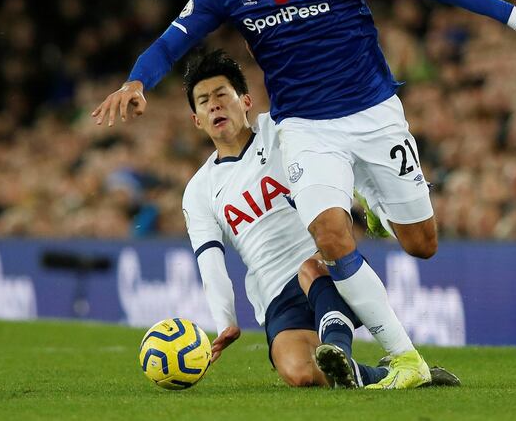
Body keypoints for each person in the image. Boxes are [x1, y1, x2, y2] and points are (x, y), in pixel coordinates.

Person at [92, 0, 516, 387]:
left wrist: (515, 17)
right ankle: (406, 361)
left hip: (374, 115)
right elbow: (175, 38)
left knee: (422, 244)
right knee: (328, 233)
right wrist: (138, 80)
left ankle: (372, 199)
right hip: (306, 128)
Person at [181, 50, 460, 387]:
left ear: (246, 100)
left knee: (311, 267)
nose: (214, 105)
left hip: (328, 264)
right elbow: (210, 262)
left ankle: (337, 346)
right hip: (274, 295)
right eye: (203, 101)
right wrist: (225, 320)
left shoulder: (287, 129)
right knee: (301, 373)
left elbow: (348, 144)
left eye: (222, 95)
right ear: (197, 119)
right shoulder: (198, 190)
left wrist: (375, 195)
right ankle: (385, 375)